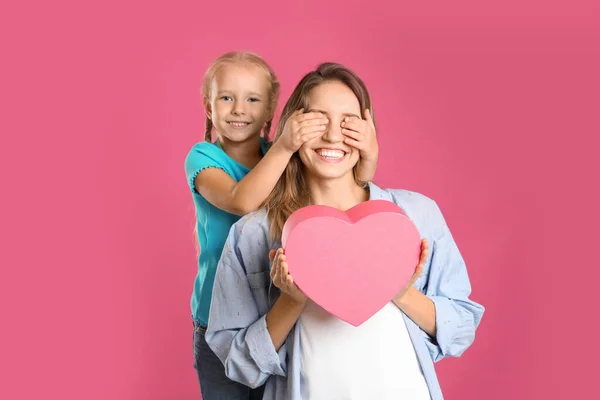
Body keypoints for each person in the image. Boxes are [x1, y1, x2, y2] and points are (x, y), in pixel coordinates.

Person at [205, 62, 485, 400]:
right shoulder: (251, 235)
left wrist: (400, 291)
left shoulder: (417, 214)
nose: (333, 135)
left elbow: (461, 329)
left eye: (348, 121)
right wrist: (291, 302)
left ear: (369, 128)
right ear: (292, 127)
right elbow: (238, 365)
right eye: (317, 120)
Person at [184, 52, 379, 399]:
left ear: (272, 110)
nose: (239, 109)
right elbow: (240, 201)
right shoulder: (203, 157)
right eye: (226, 98)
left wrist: (369, 155)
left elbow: (338, 187)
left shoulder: (278, 154)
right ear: (209, 106)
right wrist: (286, 146)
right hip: (217, 319)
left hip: (275, 304)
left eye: (253, 99)